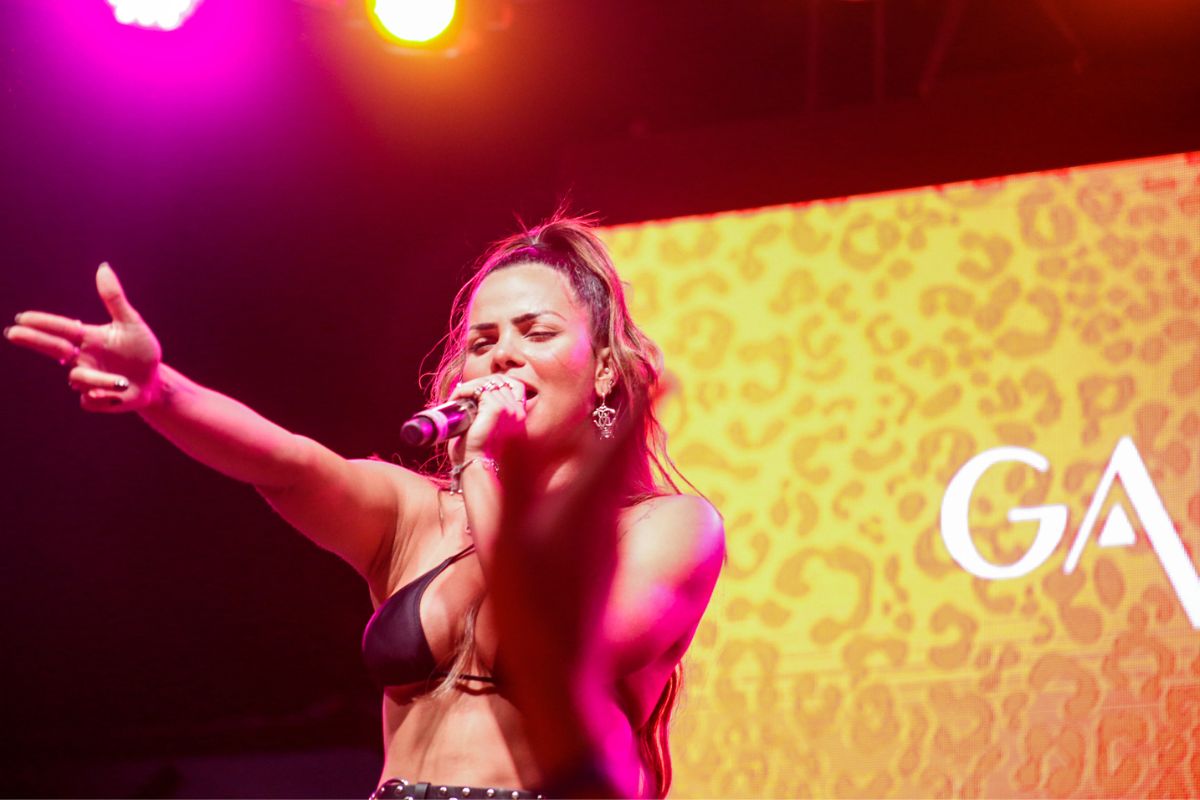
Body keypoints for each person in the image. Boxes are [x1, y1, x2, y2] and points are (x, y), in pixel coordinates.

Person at [4, 214, 725, 799]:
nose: (502, 355)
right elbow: (287, 465)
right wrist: (161, 391)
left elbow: (560, 650)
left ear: (605, 370)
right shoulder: (419, 515)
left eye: (536, 333)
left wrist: (482, 466)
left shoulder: (663, 528)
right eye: (483, 341)